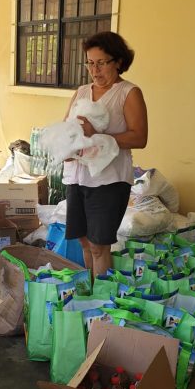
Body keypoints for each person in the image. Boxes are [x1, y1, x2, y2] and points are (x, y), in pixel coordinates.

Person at [63, 31, 148, 279]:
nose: (95, 70)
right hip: (77, 176)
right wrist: (66, 146)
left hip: (109, 180)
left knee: (100, 245)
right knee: (85, 242)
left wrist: (96, 137)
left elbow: (140, 137)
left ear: (118, 61)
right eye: (90, 63)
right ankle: (90, 291)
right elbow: (67, 127)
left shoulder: (128, 93)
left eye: (101, 63)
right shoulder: (80, 92)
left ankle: (102, 301)